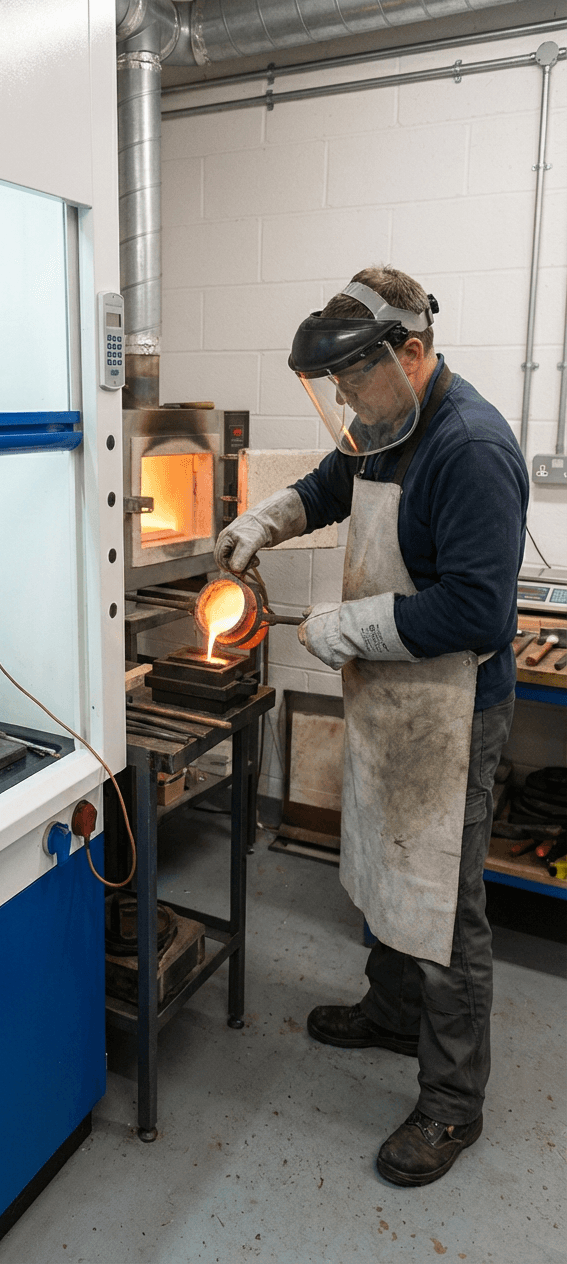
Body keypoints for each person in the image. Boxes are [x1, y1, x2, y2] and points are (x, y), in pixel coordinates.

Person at [215, 265, 529, 1187]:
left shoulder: (469, 448)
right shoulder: (385, 423)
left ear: (415, 352)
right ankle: (392, 1015)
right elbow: (335, 480)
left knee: (442, 901)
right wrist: (265, 520)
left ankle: (452, 1103)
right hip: (392, 696)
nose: (347, 398)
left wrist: (340, 626)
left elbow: (477, 613)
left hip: (451, 706)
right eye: (336, 383)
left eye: (356, 378)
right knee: (386, 862)